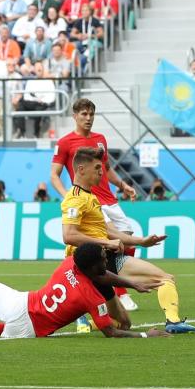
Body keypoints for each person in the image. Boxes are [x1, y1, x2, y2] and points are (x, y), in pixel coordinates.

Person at [61, 147, 195, 334]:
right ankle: (173, 322)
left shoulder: (91, 197)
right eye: (97, 167)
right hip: (89, 266)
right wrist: (106, 243)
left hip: (103, 262)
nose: (101, 172)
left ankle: (90, 321)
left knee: (124, 324)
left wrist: (140, 241)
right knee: (165, 279)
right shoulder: (74, 199)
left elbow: (108, 229)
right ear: (81, 170)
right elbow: (68, 235)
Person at [0, 244, 168, 339]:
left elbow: (99, 273)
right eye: (103, 258)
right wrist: (146, 334)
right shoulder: (90, 296)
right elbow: (110, 331)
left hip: (22, 302)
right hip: (30, 326)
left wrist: (132, 283)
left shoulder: (70, 262)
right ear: (93, 267)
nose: (106, 260)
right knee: (12, 328)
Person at [50, 98, 141, 325]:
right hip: (87, 203)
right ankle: (117, 293)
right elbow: (54, 175)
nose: (88, 118)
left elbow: (107, 169)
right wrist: (69, 197)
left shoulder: (100, 140)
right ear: (75, 116)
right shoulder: (65, 142)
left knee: (127, 241)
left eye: (91, 114)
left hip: (108, 199)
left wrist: (122, 185)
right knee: (90, 248)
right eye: (83, 114)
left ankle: (110, 289)